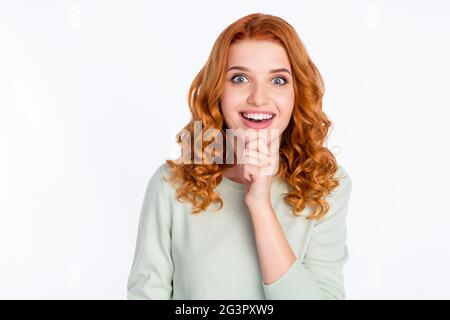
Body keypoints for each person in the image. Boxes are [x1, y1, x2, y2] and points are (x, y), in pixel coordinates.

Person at [127, 12, 352, 300]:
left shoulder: (327, 186)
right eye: (240, 78)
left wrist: (260, 206)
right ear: (217, 90)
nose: (259, 97)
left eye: (279, 81)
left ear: (298, 92)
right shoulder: (171, 185)